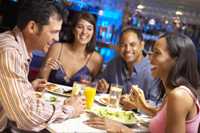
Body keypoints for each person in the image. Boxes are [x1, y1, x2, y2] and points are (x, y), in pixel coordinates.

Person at [85, 33, 200, 133]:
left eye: (157, 53)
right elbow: (163, 118)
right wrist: (142, 106)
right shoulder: (172, 92)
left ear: (176, 60)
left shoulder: (179, 96)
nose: (149, 59)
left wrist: (121, 128)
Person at [0, 0, 85, 132]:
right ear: (32, 27)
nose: (57, 38)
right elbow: (26, 115)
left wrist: (27, 88)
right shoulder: (10, 52)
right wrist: (69, 109)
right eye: (53, 31)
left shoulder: (14, 44)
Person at [96, 27, 160, 106]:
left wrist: (136, 104)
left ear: (142, 45)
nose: (127, 49)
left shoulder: (153, 70)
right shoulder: (114, 64)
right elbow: (99, 83)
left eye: (132, 45)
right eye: (123, 45)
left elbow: (156, 104)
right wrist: (102, 87)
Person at [39, 12, 103, 86]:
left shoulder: (97, 59)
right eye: (80, 27)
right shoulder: (57, 48)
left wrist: (92, 85)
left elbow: (95, 89)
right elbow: (39, 82)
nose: (84, 32)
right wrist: (45, 68)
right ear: (73, 29)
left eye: (89, 28)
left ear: (93, 33)